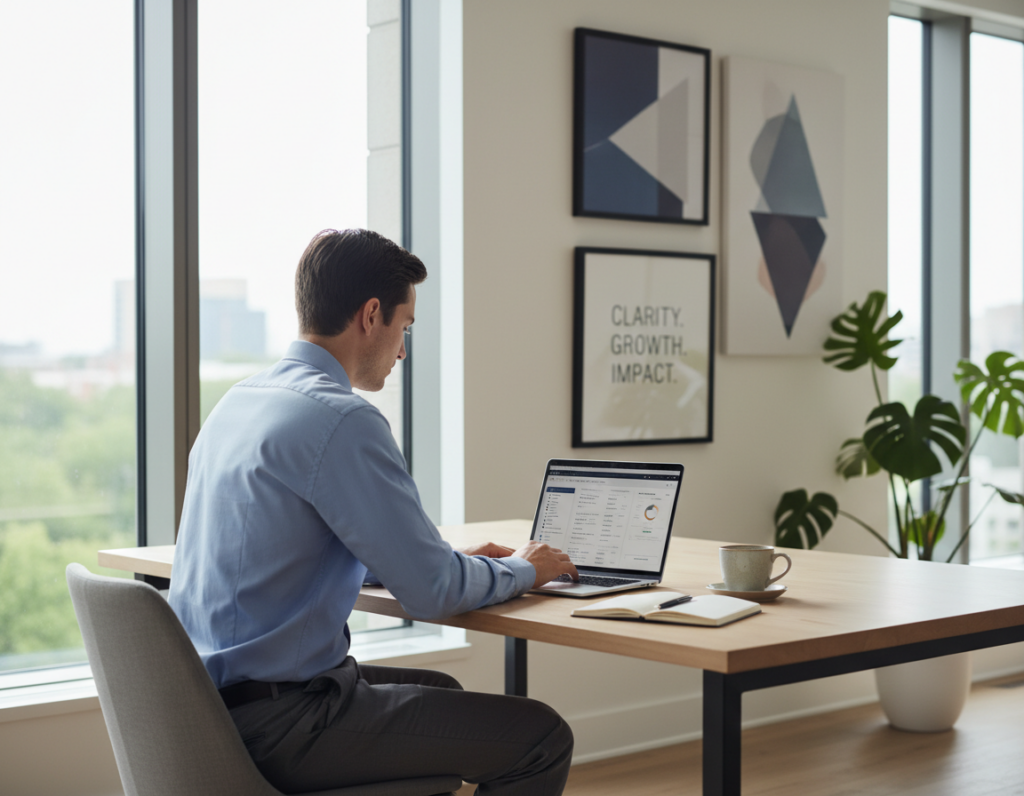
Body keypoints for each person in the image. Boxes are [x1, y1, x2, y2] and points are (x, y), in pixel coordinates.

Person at [168, 228, 579, 795]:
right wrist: (528, 567)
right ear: (370, 316)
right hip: (286, 723)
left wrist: (435, 559)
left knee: (444, 695)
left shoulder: (240, 403)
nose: (403, 350)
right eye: (404, 327)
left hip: (207, 709)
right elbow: (433, 592)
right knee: (541, 737)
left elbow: (294, 543)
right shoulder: (341, 419)